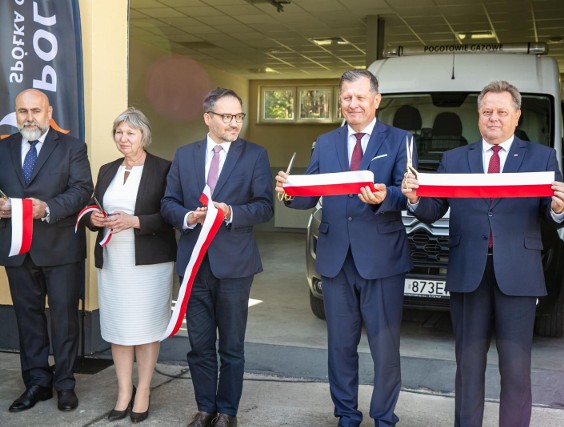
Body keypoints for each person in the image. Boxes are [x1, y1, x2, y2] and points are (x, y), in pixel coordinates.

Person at [402, 80, 564, 427]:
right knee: (468, 367)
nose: (493, 118)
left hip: (519, 275)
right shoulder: (455, 159)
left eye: (501, 112)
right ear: (478, 116)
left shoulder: (541, 157)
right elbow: (434, 209)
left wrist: (560, 207)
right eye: (486, 111)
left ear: (516, 116)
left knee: (515, 369)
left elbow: (553, 213)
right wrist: (416, 198)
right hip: (469, 274)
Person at [275, 69, 412, 427]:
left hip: (381, 260)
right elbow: (310, 195)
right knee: (339, 347)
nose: (353, 104)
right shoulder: (326, 142)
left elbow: (409, 193)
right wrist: (291, 191)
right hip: (336, 259)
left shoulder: (399, 140)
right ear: (340, 101)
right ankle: (346, 415)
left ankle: (384, 417)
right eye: (347, 98)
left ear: (376, 100)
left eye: (360, 97)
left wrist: (386, 196)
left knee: (385, 349)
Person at [161, 88, 273, 427]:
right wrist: (187, 217)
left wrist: (229, 213)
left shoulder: (254, 155)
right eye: (227, 116)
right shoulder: (184, 155)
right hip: (193, 263)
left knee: (232, 345)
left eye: (239, 116)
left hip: (235, 265)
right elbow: (168, 203)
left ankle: (228, 412)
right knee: (199, 344)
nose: (234, 122)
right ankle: (205, 407)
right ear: (208, 117)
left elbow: (265, 206)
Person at [0, 89, 93, 412]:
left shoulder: (72, 147)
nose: (29, 117)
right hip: (17, 249)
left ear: (49, 111)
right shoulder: (4, 148)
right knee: (28, 320)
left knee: (64, 321)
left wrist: (47, 208)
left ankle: (65, 384)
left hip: (61, 249)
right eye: (22, 111)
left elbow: (82, 190)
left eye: (35, 111)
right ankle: (37, 383)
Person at [83, 107, 176, 423]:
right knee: (119, 329)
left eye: (130, 133)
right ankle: (123, 391)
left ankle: (144, 391)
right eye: (119, 132)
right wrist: (94, 219)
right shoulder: (107, 169)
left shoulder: (164, 169)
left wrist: (136, 221)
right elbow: (95, 208)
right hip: (113, 262)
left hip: (150, 263)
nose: (123, 139)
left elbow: (173, 215)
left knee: (147, 329)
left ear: (143, 136)